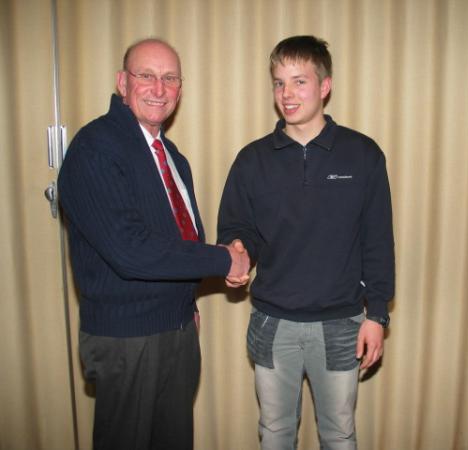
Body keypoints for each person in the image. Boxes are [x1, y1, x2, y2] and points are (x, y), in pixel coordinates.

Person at [58, 38, 249, 450]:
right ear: (122, 83)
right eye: (146, 75)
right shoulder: (95, 147)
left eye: (170, 78)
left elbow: (178, 242)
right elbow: (131, 251)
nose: (159, 89)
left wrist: (187, 305)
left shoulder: (172, 156)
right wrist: (223, 260)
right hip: (128, 339)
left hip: (176, 331)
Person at [217, 35, 395, 449]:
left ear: (324, 86)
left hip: (342, 323)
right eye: (279, 83)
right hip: (272, 321)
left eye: (299, 81)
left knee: (339, 434)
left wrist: (377, 315)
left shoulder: (363, 154)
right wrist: (237, 253)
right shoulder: (252, 160)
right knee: (275, 432)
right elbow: (238, 230)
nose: (287, 94)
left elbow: (378, 241)